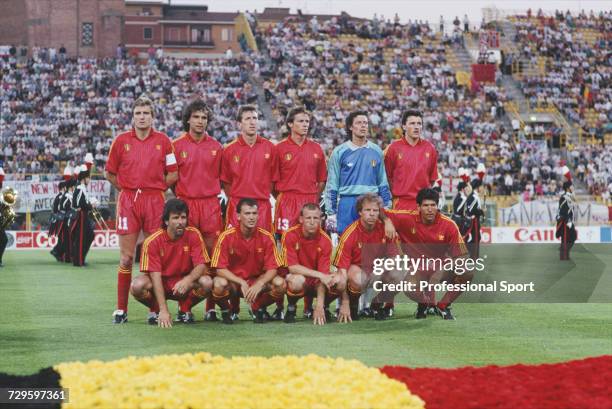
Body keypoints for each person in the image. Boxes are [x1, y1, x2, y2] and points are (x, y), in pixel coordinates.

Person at [105, 96, 178, 324]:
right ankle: (120, 309)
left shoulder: (164, 141)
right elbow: (110, 173)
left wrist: (155, 190)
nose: (142, 117)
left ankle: (154, 310)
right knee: (127, 257)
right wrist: (127, 190)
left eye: (146, 113)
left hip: (155, 200)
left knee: (153, 257)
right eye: (138, 113)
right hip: (129, 200)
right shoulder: (120, 141)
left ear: (152, 116)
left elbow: (173, 173)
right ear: (132, 116)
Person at [173, 100, 224, 321]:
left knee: (213, 257)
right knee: (188, 258)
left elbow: (223, 178)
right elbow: (170, 179)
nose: (200, 121)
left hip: (210, 205)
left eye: (204, 117)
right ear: (187, 119)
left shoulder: (216, 147)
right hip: (187, 204)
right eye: (196, 117)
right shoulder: (175, 146)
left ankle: (210, 308)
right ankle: (185, 308)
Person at [383, 188, 469, 320]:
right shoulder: (406, 218)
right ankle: (424, 303)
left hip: (441, 267)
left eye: (433, 205)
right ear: (418, 207)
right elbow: (379, 210)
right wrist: (387, 221)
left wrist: (440, 272)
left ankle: (443, 306)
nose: (430, 209)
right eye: (426, 205)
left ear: (437, 206)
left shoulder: (449, 225)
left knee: (467, 271)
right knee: (409, 286)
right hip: (417, 269)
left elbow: (462, 257)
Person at [131, 199, 213, 327]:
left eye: (183, 217)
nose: (180, 222)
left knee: (207, 282)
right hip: (161, 283)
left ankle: (185, 308)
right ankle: (156, 308)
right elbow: (155, 277)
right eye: (175, 218)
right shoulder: (152, 241)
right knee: (137, 286)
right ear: (166, 221)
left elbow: (201, 265)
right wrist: (164, 310)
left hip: (183, 283)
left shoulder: (193, 234)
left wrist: (187, 280)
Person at [210, 198, 286, 323]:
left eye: (254, 213)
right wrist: (240, 281)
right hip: (235, 283)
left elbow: (273, 268)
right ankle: (226, 310)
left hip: (256, 282)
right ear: (238, 216)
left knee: (280, 284)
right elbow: (219, 269)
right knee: (218, 284)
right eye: (247, 213)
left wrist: (260, 283)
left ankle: (258, 307)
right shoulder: (226, 237)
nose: (251, 217)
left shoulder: (267, 237)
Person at [325, 110, 391, 235]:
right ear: (350, 127)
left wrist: (387, 207)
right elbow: (332, 184)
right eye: (359, 123)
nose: (363, 126)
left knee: (370, 244)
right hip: (347, 203)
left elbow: (383, 182)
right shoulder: (339, 152)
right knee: (346, 242)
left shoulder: (376, 151)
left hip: (371, 203)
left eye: (365, 123)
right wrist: (331, 213)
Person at [332, 193, 395, 322]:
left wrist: (381, 269)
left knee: (400, 272)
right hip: (356, 272)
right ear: (360, 212)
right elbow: (341, 272)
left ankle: (376, 305)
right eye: (367, 210)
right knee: (357, 277)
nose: (371, 214)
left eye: (375, 210)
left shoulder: (386, 229)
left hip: (375, 269)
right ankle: (352, 304)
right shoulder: (350, 233)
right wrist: (344, 302)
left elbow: (395, 259)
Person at [280, 203, 344, 325]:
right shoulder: (290, 234)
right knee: (296, 280)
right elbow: (292, 268)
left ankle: (324, 307)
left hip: (316, 282)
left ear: (321, 220)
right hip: (297, 278)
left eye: (316, 218)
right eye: (308, 218)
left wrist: (319, 306)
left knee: (339, 280)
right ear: (301, 219)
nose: (312, 221)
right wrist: (320, 275)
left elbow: (324, 278)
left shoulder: (325, 240)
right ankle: (291, 307)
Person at [221, 105, 278, 232]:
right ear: (239, 124)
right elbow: (226, 182)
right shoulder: (229, 150)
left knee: (264, 246)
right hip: (237, 204)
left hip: (262, 206)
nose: (252, 122)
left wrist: (260, 194)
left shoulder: (270, 148)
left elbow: (273, 180)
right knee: (235, 247)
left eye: (255, 118)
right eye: (247, 119)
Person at [274, 107, 327, 235]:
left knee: (311, 243)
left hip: (310, 200)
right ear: (290, 124)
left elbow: (321, 181)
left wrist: (314, 198)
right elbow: (272, 181)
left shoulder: (317, 148)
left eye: (307, 121)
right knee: (285, 241)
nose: (305, 125)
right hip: (287, 200)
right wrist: (283, 197)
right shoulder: (279, 149)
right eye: (301, 121)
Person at [384, 109, 439, 211]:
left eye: (419, 123)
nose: (416, 127)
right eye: (412, 123)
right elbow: (387, 177)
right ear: (404, 126)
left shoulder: (430, 148)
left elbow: (432, 178)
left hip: (423, 205)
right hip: (400, 204)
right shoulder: (393, 148)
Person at [70, 166, 95, 267]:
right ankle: (78, 261)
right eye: (88, 178)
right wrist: (90, 205)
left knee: (89, 236)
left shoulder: (83, 188)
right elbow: (77, 203)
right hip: (81, 215)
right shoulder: (80, 188)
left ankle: (81, 258)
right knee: (81, 239)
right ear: (84, 178)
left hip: (84, 214)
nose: (89, 179)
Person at [556, 181, 576, 260]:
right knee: (565, 238)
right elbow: (563, 210)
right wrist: (568, 221)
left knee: (571, 238)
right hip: (565, 221)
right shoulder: (563, 197)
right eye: (571, 186)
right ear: (568, 188)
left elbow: (574, 200)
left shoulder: (569, 196)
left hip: (569, 220)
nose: (572, 187)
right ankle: (563, 255)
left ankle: (565, 253)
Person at [465, 178, 485, 259]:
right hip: (474, 220)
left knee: (477, 237)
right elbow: (471, 209)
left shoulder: (474, 196)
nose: (482, 188)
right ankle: (473, 257)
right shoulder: (474, 196)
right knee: (476, 238)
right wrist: (481, 211)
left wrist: (481, 211)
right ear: (477, 187)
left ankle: (472, 255)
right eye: (481, 186)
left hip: (475, 219)